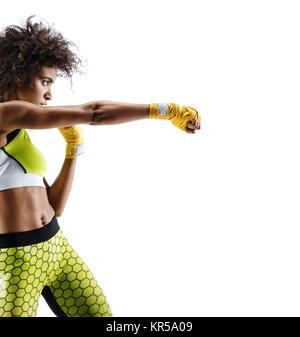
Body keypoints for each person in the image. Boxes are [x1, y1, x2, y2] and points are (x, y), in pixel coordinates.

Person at [0, 15, 201, 317]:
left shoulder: (24, 136)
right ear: (18, 75)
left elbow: (54, 206)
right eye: (45, 81)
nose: (49, 94)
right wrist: (163, 110)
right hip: (18, 260)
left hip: (58, 248)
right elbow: (92, 112)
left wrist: (73, 151)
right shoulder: (4, 115)